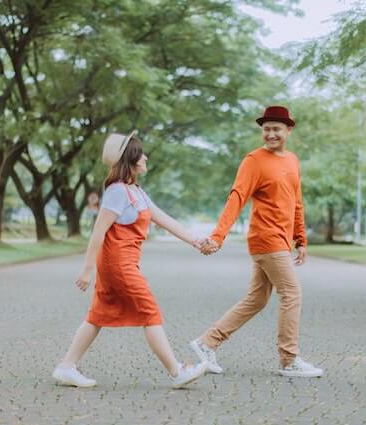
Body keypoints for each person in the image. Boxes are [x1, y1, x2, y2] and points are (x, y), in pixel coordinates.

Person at [53, 131, 207, 388]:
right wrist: (87, 269)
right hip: (118, 264)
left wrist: (196, 241)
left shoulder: (135, 191)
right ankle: (177, 371)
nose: (146, 157)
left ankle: (66, 367)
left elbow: (163, 218)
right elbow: (99, 231)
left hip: (125, 263)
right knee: (149, 311)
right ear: (130, 160)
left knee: (97, 316)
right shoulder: (117, 192)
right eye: (140, 154)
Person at [193, 106, 323, 378]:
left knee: (257, 299)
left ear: (289, 130)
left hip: (282, 240)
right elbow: (237, 197)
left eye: (276, 129)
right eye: (266, 129)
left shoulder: (292, 160)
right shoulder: (254, 160)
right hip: (266, 238)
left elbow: (297, 202)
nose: (271, 134)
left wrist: (301, 238)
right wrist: (218, 236)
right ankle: (289, 359)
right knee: (292, 293)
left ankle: (207, 343)